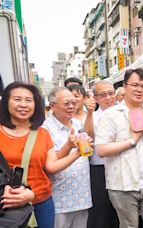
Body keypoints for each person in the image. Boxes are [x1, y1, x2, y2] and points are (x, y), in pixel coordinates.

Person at [0, 82, 84, 228]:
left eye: (29, 100)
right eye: (17, 99)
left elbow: (51, 166)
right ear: (6, 102)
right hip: (7, 205)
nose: (23, 105)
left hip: (42, 202)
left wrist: (77, 152)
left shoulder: (42, 133)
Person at [95, 68, 143, 228]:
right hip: (122, 184)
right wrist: (132, 140)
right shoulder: (111, 114)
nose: (139, 90)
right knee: (129, 226)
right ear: (125, 86)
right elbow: (101, 150)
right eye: (135, 85)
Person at [42, 87, 92, 228]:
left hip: (82, 195)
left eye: (74, 102)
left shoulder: (78, 124)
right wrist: (68, 146)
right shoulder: (45, 129)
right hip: (60, 198)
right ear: (52, 106)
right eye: (66, 103)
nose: (71, 106)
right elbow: (50, 164)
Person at [87, 80, 119, 228]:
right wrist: (88, 114)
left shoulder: (125, 112)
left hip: (122, 168)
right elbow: (88, 139)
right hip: (100, 170)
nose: (108, 98)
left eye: (111, 93)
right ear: (95, 98)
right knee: (102, 211)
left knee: (121, 212)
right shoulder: (91, 117)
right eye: (103, 95)